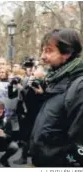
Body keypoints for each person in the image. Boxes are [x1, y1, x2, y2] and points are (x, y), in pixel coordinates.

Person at [30, 28, 83, 167]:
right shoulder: (57, 80)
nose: (42, 56)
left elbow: (78, 140)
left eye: (48, 50)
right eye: (42, 50)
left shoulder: (79, 85)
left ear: (67, 53)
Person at [0, 100, 19, 167]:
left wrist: (4, 135)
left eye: (0, 112)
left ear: (3, 111)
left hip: (3, 142)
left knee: (14, 146)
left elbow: (12, 137)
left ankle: (3, 159)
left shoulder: (7, 120)